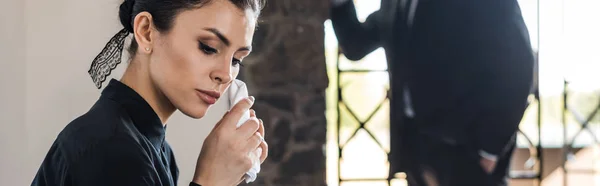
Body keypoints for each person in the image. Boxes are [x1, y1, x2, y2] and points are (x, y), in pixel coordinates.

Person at [31, 0, 267, 185]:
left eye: (237, 60)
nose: (226, 74)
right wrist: (210, 182)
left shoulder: (155, 148)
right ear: (146, 31)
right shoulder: (113, 152)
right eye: (209, 48)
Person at [330, 0, 534, 185]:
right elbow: (355, 45)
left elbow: (518, 65)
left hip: (468, 151)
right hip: (416, 148)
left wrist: (490, 148)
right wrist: (340, 4)